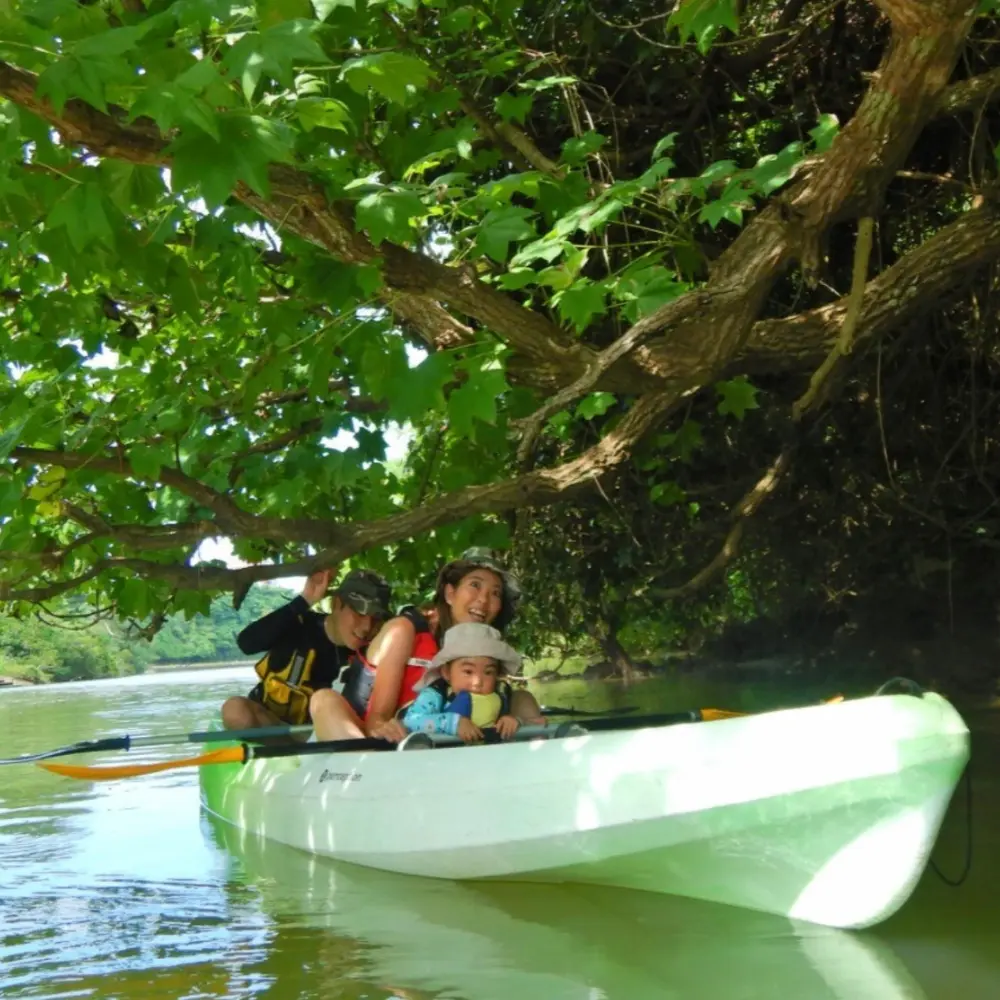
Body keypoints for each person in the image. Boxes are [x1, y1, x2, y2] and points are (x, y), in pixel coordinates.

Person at [310, 547, 546, 742]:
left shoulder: (485, 645)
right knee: (323, 699)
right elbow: (377, 720)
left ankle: (537, 769)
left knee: (522, 698)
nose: (484, 600)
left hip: (440, 740)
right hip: (376, 737)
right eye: (475, 585)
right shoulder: (404, 630)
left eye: (495, 593)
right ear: (450, 593)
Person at [220, 567, 392, 730]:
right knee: (234, 710)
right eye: (360, 613)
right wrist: (304, 600)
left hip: (327, 734)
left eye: (376, 619)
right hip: (269, 727)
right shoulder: (298, 623)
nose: (367, 627)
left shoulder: (375, 651)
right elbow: (246, 643)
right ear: (336, 604)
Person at [401, 623, 522, 743]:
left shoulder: (500, 694)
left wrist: (511, 720)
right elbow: (411, 721)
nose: (477, 682)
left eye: (488, 672)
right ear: (447, 672)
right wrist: (453, 723)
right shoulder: (435, 694)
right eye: (468, 672)